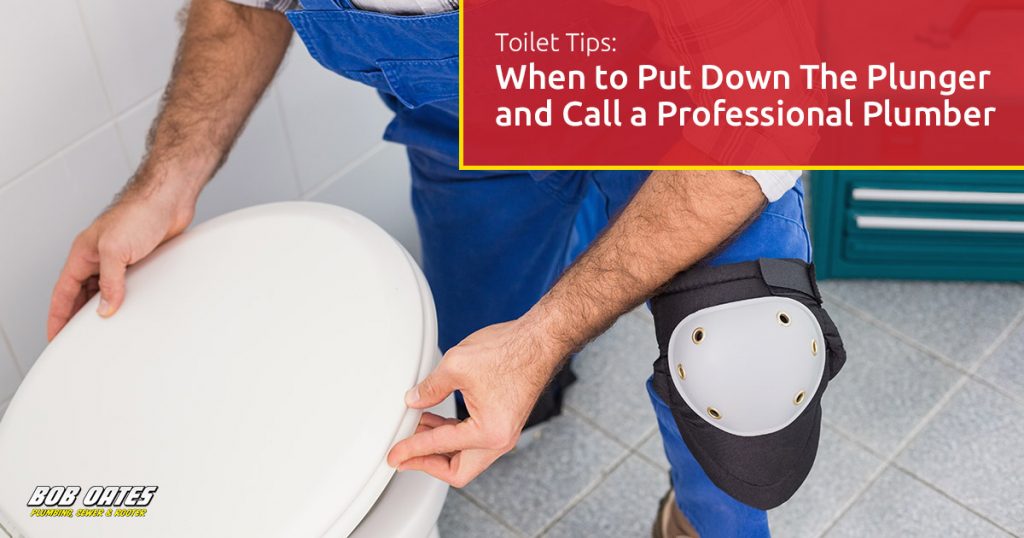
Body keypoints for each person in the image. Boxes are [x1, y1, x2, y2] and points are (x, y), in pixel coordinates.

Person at [46, 1, 844, 536]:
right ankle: (572, 289)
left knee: (748, 367)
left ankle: (698, 524)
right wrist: (165, 181)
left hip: (689, 106)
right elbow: (240, 7)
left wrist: (544, 333)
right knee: (464, 366)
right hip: (477, 122)